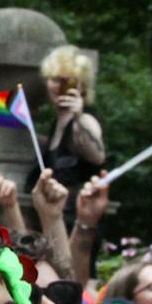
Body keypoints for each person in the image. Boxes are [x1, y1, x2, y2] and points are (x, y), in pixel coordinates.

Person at [36, 44, 105, 201]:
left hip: (76, 214)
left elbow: (98, 157)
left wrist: (79, 117)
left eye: (68, 81)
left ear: (82, 87)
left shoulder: (86, 120)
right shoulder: (55, 125)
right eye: (55, 79)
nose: (60, 86)